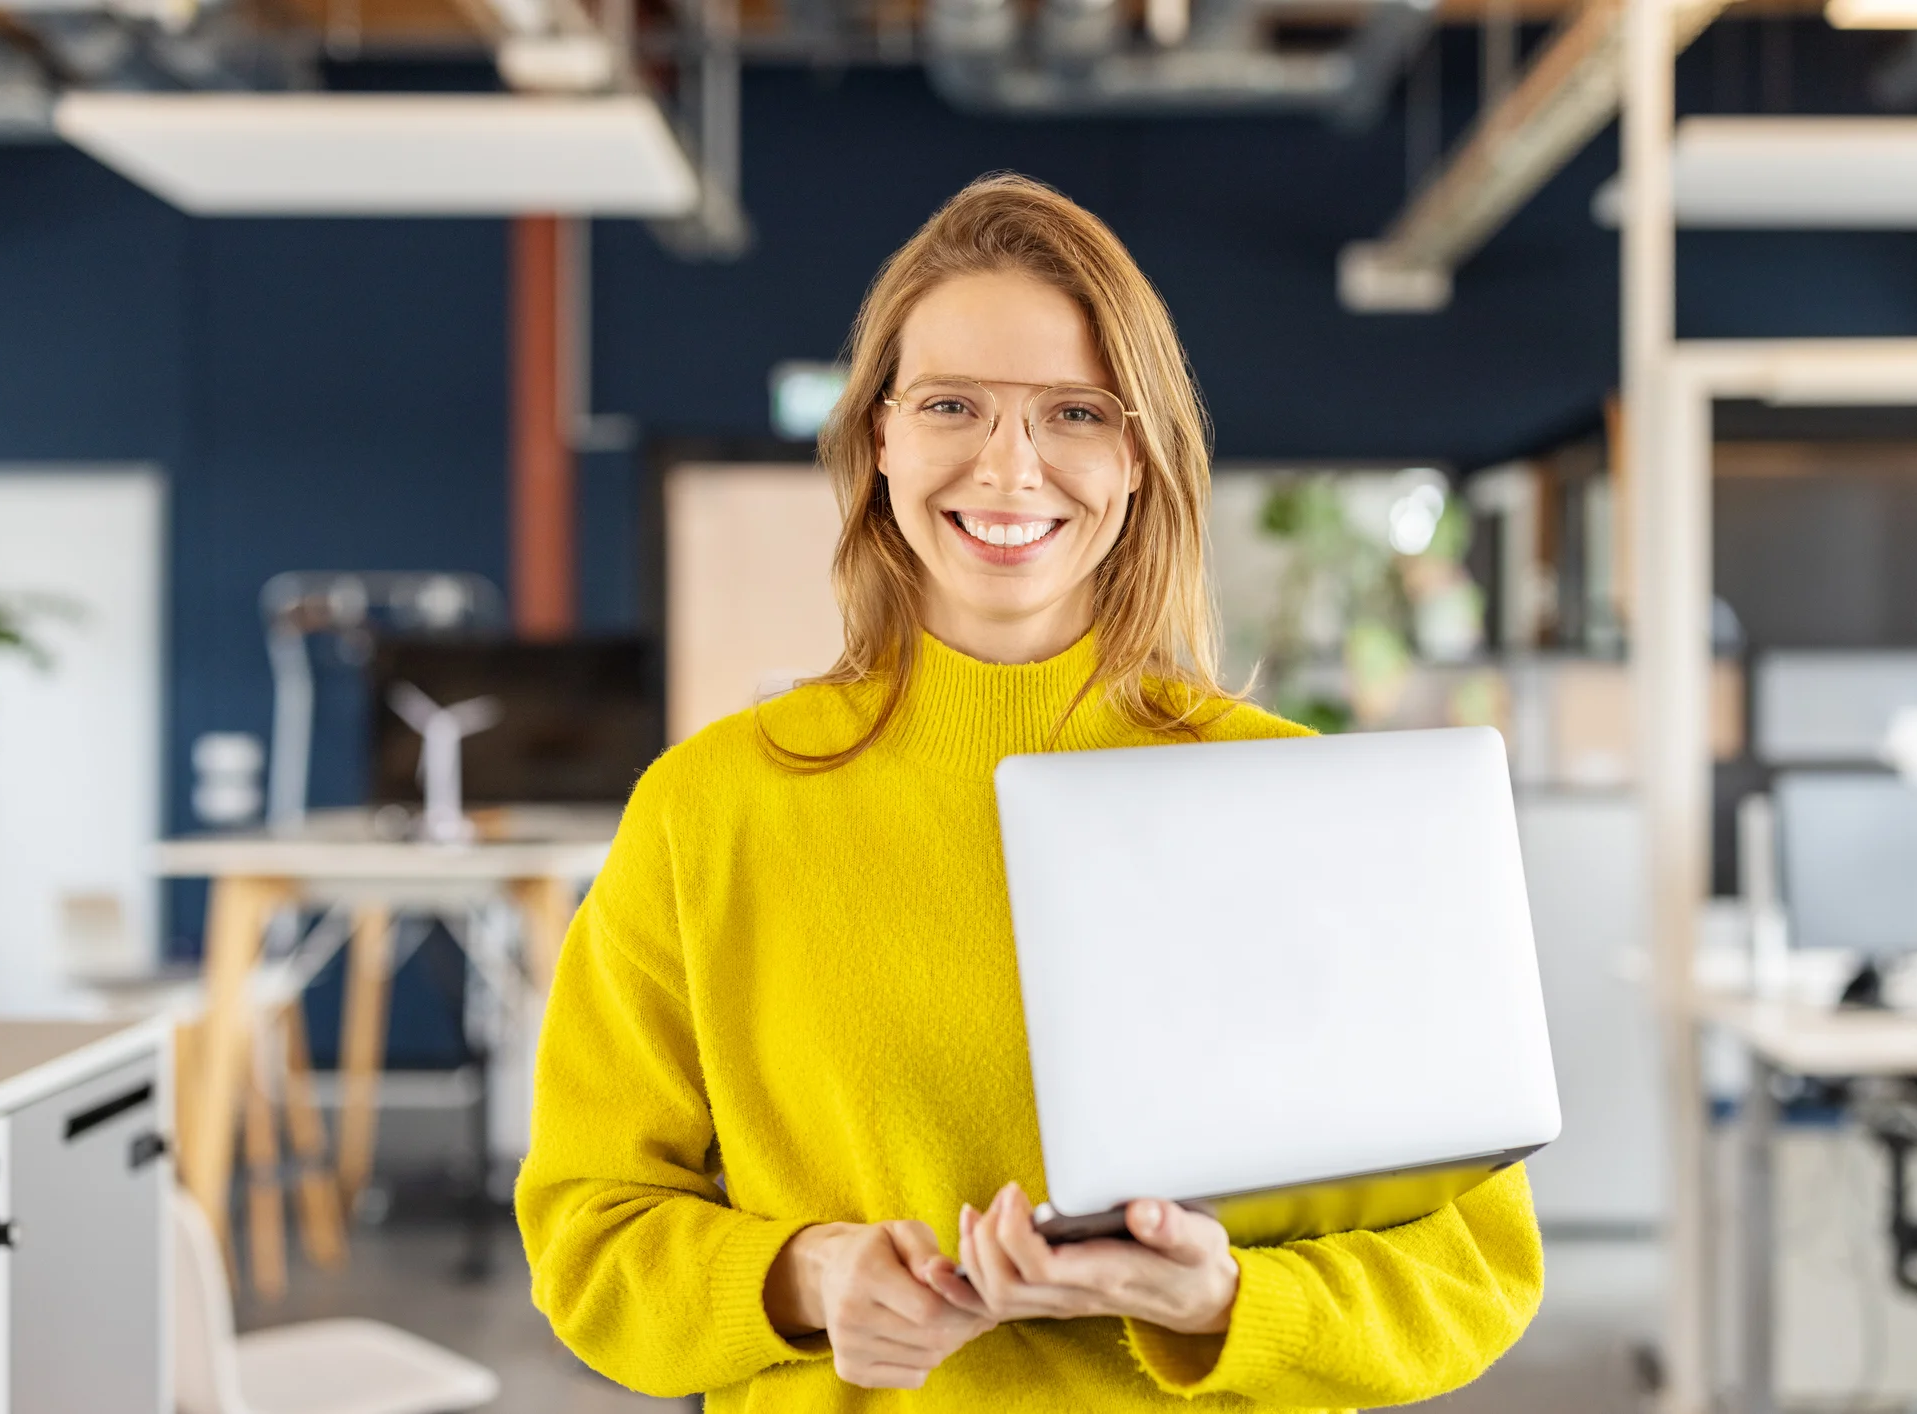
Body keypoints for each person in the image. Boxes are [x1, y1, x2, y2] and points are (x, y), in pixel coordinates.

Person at [516, 173, 1543, 1409]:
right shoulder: (709, 808)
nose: (1009, 469)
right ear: (879, 437)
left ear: (1139, 455)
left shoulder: (1295, 796)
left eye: (1073, 411)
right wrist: (804, 1275)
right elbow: (586, 1237)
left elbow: (1472, 1268)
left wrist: (1223, 1303)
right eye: (952, 403)